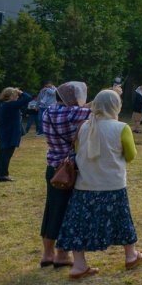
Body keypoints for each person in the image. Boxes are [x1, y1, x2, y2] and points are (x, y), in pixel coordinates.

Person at [55, 90, 142, 279]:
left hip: (85, 185)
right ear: (116, 106)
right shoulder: (121, 128)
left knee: (79, 225)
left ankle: (79, 265)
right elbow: (130, 156)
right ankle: (131, 255)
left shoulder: (84, 127)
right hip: (112, 184)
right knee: (122, 221)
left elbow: (80, 153)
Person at [38, 81, 90, 268]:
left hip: (52, 166)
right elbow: (98, 108)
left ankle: (47, 254)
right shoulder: (73, 113)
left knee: (52, 208)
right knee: (67, 210)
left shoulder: (48, 112)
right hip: (69, 169)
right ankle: (62, 254)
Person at [0, 86, 32, 182]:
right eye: (16, 95)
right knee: (7, 154)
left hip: (3, 131)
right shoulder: (12, 105)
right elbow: (28, 98)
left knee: (2, 153)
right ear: (11, 96)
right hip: (10, 132)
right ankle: (4, 175)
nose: (18, 97)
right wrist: (20, 92)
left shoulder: (2, 105)